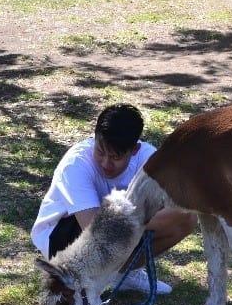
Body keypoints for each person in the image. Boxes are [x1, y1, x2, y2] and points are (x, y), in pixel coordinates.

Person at [31, 103, 198, 294]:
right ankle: (82, 278)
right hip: (63, 237)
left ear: (134, 150)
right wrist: (141, 218)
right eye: (100, 152)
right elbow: (93, 230)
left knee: (185, 216)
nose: (106, 163)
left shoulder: (148, 158)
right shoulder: (76, 164)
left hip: (116, 229)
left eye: (116, 157)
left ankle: (123, 273)